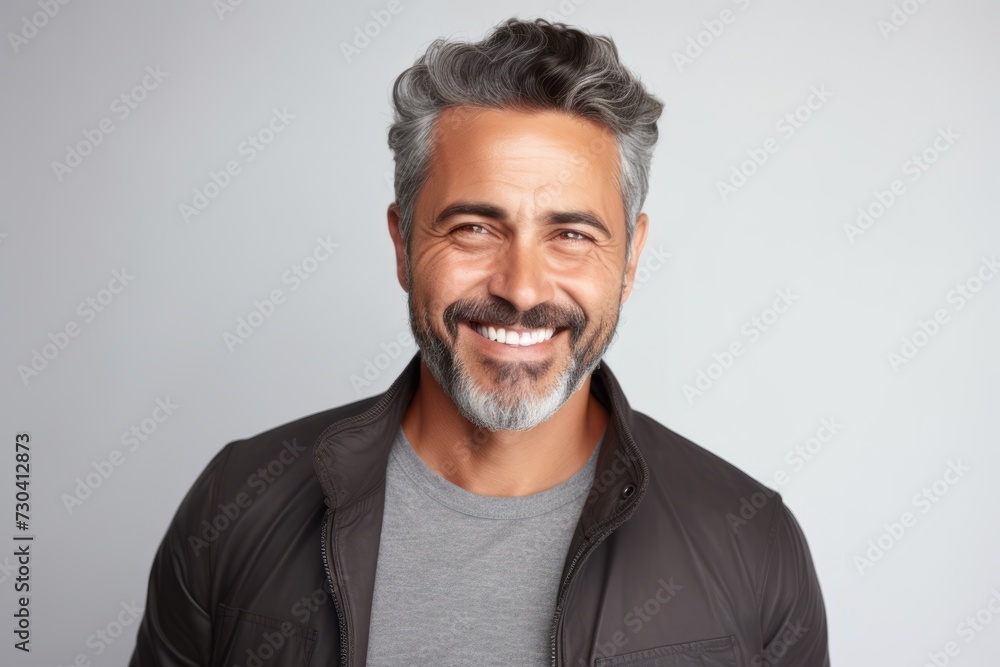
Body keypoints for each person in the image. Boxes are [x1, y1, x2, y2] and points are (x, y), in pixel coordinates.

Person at [129, 17, 830, 666]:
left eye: (571, 234)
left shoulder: (752, 542)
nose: (522, 289)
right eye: (474, 227)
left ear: (631, 258)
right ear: (403, 243)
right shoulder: (236, 505)